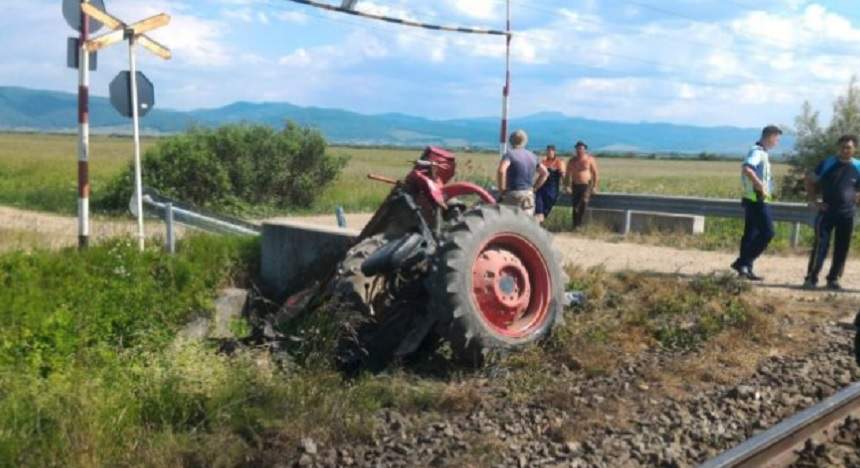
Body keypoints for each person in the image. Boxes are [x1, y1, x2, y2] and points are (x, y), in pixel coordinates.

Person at [802, 135, 860, 290]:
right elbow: (809, 180)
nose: (845, 150)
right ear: (838, 148)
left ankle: (833, 279)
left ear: (854, 149)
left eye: (849, 147)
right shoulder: (827, 163)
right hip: (826, 213)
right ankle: (811, 278)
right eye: (843, 147)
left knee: (842, 248)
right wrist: (814, 201)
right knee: (821, 246)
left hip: (847, 214)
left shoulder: (858, 166)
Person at [730, 125, 782, 281]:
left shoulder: (761, 152)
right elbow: (747, 168)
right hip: (756, 199)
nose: (777, 142)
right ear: (770, 136)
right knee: (768, 232)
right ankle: (742, 263)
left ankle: (746, 270)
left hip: (753, 199)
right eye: (777, 139)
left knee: (751, 235)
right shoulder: (757, 152)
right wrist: (760, 185)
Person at [497, 129, 549, 215]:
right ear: (525, 141)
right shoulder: (533, 156)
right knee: (525, 224)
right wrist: (534, 188)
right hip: (528, 195)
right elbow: (545, 173)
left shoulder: (509, 154)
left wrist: (502, 190)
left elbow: (501, 171)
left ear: (510, 141)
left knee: (509, 225)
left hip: (512, 194)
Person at [564, 140, 599, 229]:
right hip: (575, 185)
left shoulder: (590, 159)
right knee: (575, 205)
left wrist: (595, 186)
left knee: (584, 201)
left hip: (586, 185)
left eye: (581, 149)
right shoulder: (572, 161)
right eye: (577, 148)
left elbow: (595, 174)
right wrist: (567, 186)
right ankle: (575, 225)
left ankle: (579, 223)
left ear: (585, 150)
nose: (579, 150)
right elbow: (567, 174)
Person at [534, 145, 566, 223]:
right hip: (542, 186)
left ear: (554, 152)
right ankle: (538, 222)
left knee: (546, 207)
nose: (549, 153)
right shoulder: (543, 161)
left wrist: (565, 186)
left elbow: (563, 175)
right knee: (538, 206)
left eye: (551, 151)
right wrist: (535, 186)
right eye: (548, 151)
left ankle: (540, 222)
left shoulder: (559, 162)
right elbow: (539, 174)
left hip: (552, 188)